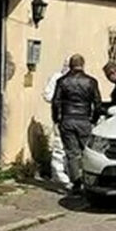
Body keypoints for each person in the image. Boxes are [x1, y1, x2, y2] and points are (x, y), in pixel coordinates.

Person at [52, 54, 103, 195]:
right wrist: (94, 119)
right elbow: (97, 103)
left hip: (67, 119)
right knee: (88, 151)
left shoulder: (62, 81)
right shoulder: (91, 81)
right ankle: (90, 180)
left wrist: (56, 119)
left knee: (72, 152)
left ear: (70, 65)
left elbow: (56, 102)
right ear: (83, 64)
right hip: (84, 119)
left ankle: (76, 182)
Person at [41, 57, 73, 191]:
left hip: (71, 118)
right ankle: (60, 177)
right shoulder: (57, 78)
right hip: (61, 118)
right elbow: (47, 95)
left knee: (70, 149)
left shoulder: (76, 79)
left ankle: (69, 176)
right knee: (59, 148)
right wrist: (59, 101)